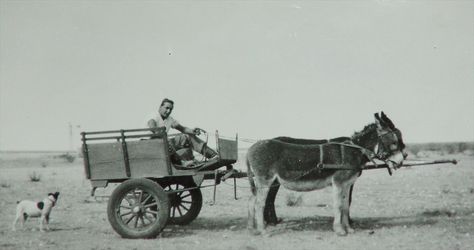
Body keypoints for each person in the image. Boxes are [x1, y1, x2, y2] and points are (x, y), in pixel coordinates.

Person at [148, 98, 218, 167]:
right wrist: (162, 136)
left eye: (170, 109)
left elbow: (183, 129)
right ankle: (181, 163)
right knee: (165, 141)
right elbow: (153, 127)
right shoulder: (154, 115)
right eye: (167, 108)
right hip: (149, 144)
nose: (168, 111)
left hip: (163, 142)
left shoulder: (169, 119)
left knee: (187, 137)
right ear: (160, 107)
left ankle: (213, 155)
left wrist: (192, 131)